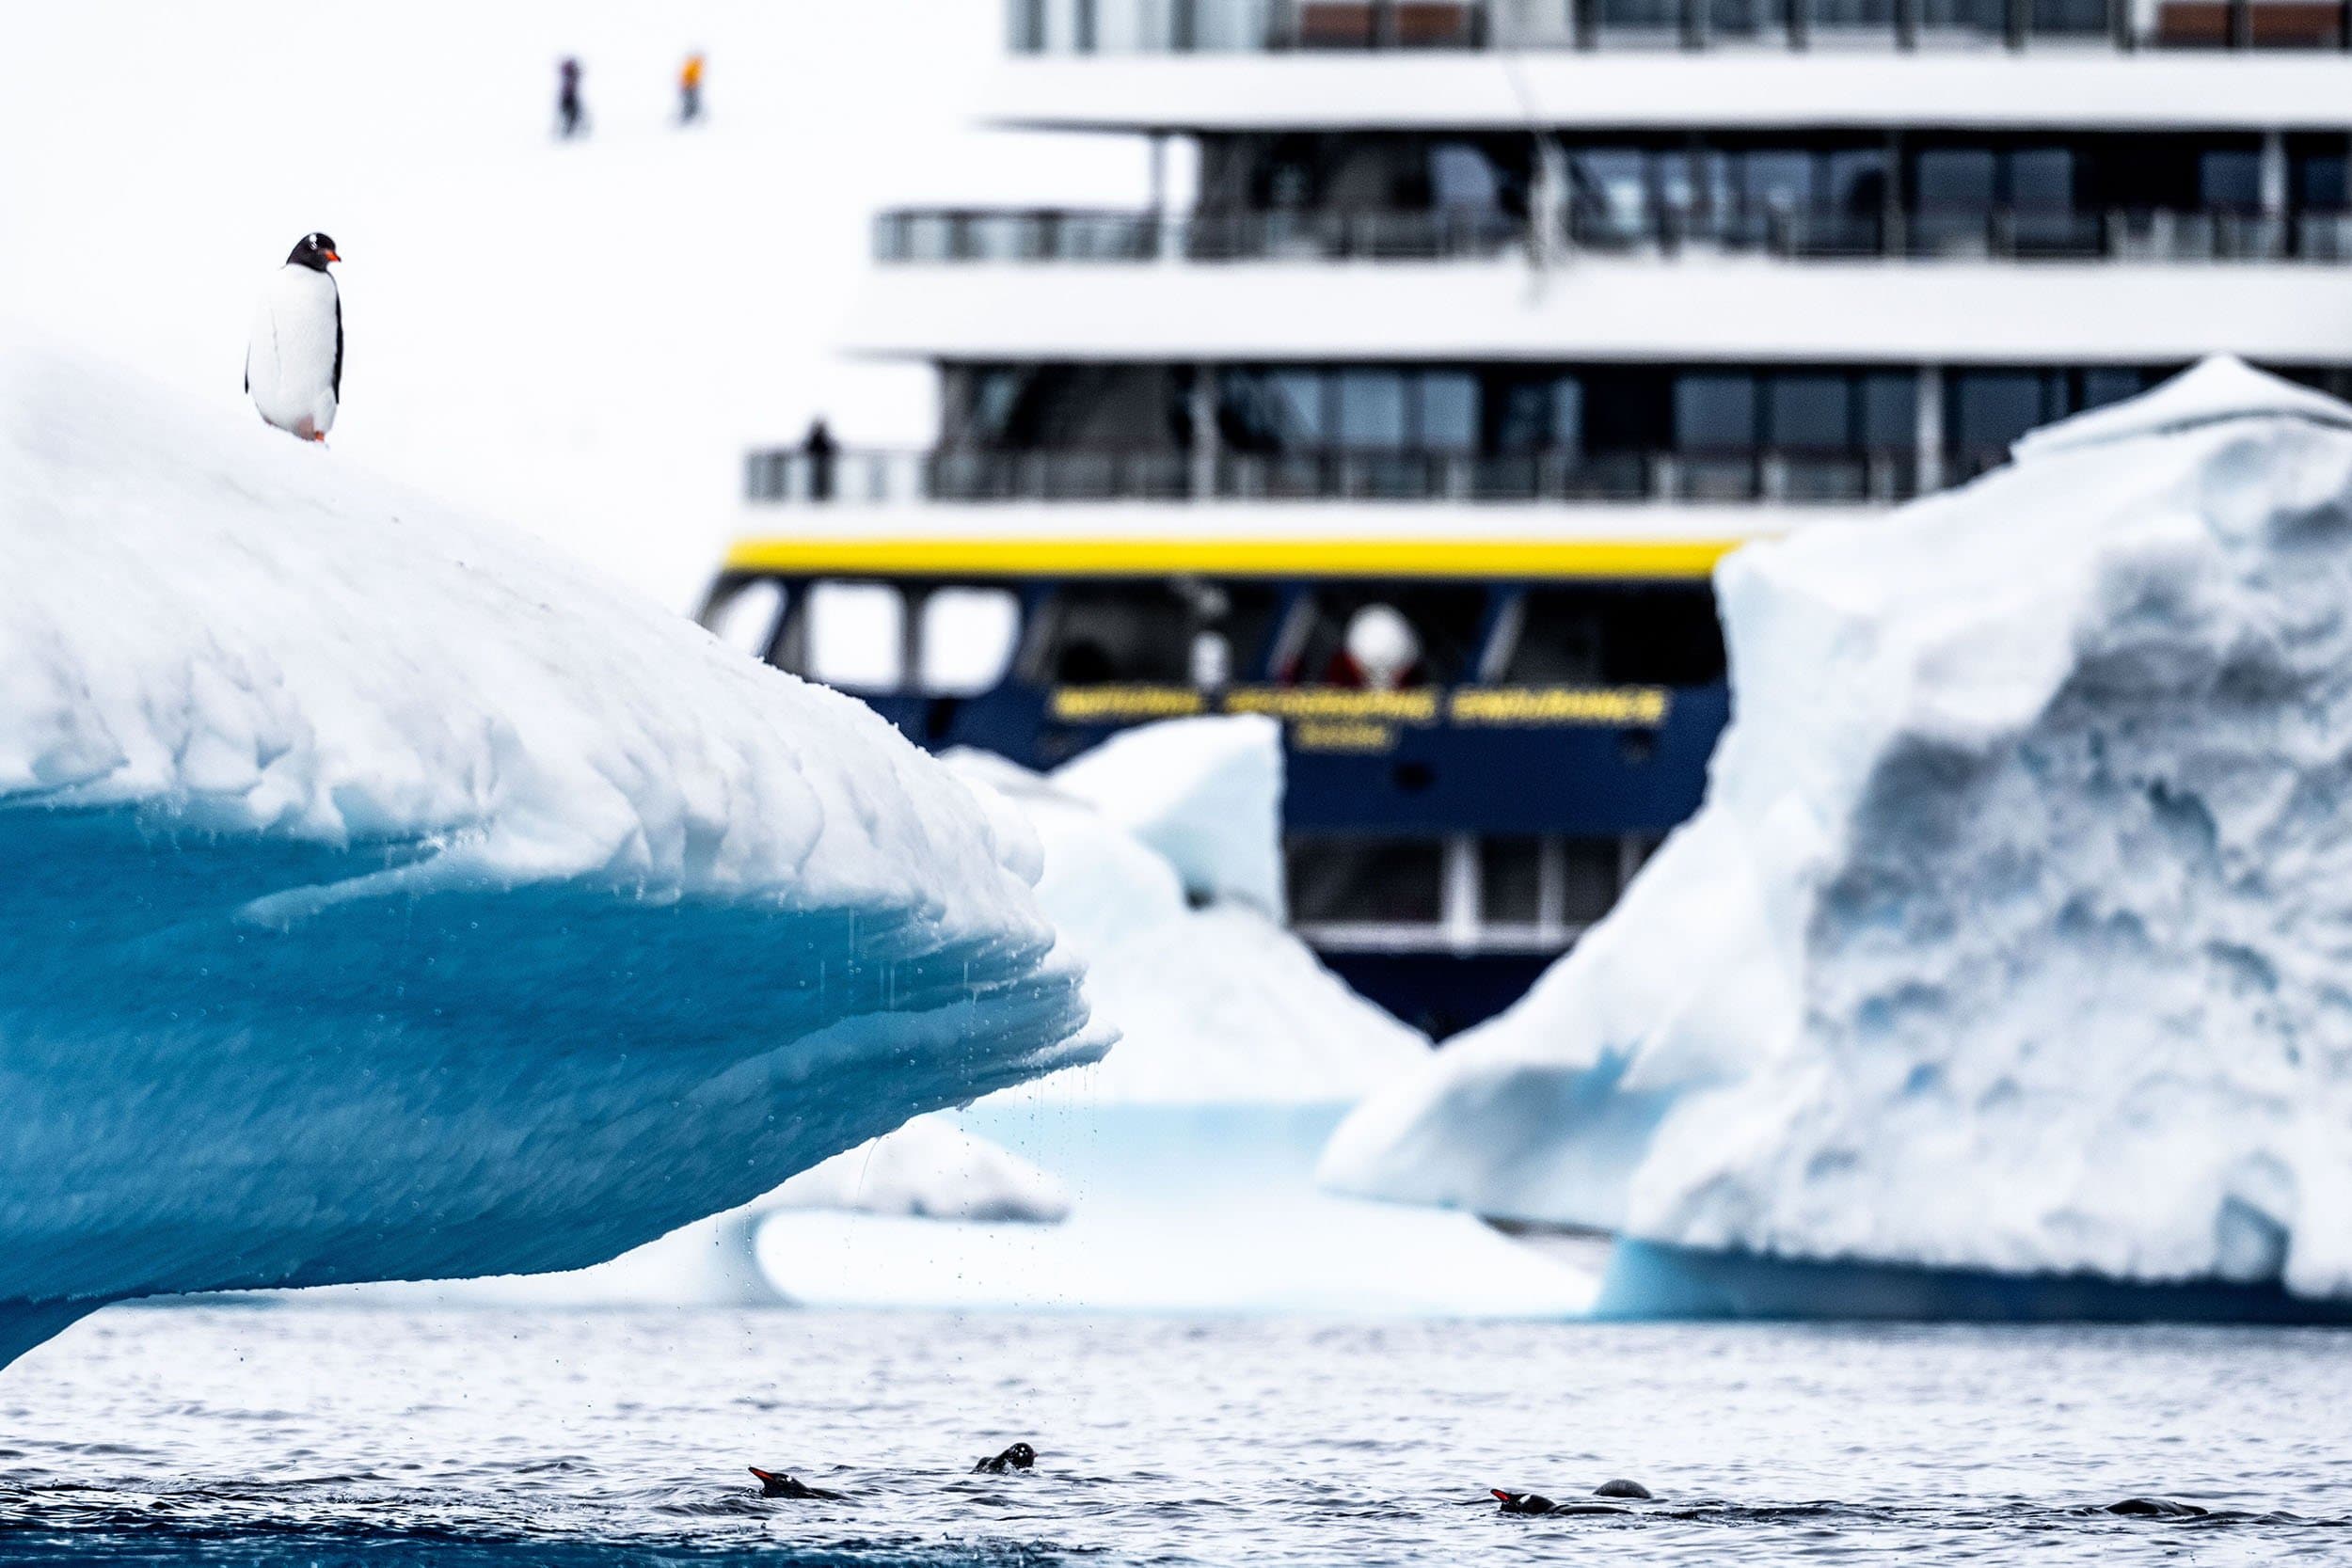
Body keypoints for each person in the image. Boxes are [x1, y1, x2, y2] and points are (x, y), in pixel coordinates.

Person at [803, 418, 838, 501]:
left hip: (822, 468)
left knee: (821, 483)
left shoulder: (818, 440)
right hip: (816, 468)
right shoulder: (817, 440)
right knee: (818, 483)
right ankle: (820, 495)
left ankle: (821, 495)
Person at [557, 57, 585, 139]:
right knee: (572, 115)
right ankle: (567, 132)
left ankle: (569, 131)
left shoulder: (570, 74)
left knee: (573, 115)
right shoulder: (568, 75)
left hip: (570, 98)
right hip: (568, 98)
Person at [678, 53, 706, 125]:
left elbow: (694, 77)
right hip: (688, 87)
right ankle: (689, 114)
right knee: (689, 101)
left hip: (692, 87)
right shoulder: (692, 64)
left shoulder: (696, 65)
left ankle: (692, 114)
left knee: (693, 101)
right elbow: (686, 76)